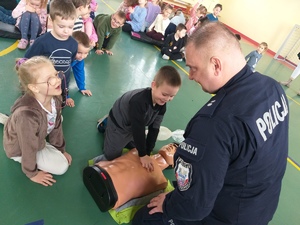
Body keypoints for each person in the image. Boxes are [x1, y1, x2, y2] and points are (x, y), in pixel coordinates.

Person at [133, 22, 289, 225]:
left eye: (193, 68)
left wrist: (168, 203)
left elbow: (194, 207)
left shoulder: (214, 124)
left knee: (145, 218)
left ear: (216, 64)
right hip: (261, 208)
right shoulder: (273, 88)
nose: (190, 76)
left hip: (224, 216)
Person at [0, 56, 72, 187]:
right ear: (34, 88)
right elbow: (28, 146)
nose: (57, 80)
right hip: (19, 148)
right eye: (49, 80)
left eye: (56, 74)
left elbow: (56, 125)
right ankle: (12, 125)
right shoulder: (27, 115)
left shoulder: (55, 97)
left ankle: (10, 122)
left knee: (58, 118)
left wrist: (60, 149)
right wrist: (32, 173)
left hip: (30, 127)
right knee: (62, 167)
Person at [94, 66, 181, 172]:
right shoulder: (138, 101)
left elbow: (154, 129)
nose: (167, 99)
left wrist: (147, 153)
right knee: (112, 157)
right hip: (119, 125)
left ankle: (125, 139)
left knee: (138, 148)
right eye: (165, 94)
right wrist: (143, 155)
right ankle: (106, 124)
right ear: (153, 85)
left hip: (133, 126)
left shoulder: (162, 103)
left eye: (172, 96)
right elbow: (138, 128)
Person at [25, 0, 78, 107]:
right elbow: (27, 61)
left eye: (70, 27)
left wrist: (66, 94)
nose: (66, 31)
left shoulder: (73, 44)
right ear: (51, 20)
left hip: (61, 85)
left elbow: (69, 64)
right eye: (61, 26)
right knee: (39, 107)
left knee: (57, 107)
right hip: (44, 87)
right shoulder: (42, 42)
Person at [71, 31, 92, 96]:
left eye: (86, 53)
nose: (82, 56)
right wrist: (65, 96)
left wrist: (82, 88)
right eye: (79, 52)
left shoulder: (79, 59)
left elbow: (79, 72)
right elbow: (63, 76)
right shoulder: (65, 58)